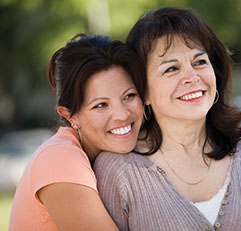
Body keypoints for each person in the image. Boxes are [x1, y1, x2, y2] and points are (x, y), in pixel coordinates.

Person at [94, 7, 241, 231]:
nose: (192, 77)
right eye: (171, 69)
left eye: (199, 62)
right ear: (143, 91)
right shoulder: (118, 171)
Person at [9, 34, 145, 230]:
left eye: (129, 96)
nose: (122, 115)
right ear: (70, 116)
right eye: (100, 105)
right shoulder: (59, 158)